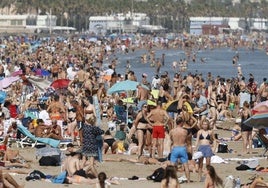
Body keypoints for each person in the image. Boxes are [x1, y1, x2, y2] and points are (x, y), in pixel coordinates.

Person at [169, 116, 190, 183]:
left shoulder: (172, 131)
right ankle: (188, 180)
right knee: (186, 166)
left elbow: (171, 140)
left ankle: (171, 179)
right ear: (182, 123)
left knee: (172, 166)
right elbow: (186, 140)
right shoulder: (185, 131)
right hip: (182, 148)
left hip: (175, 148)